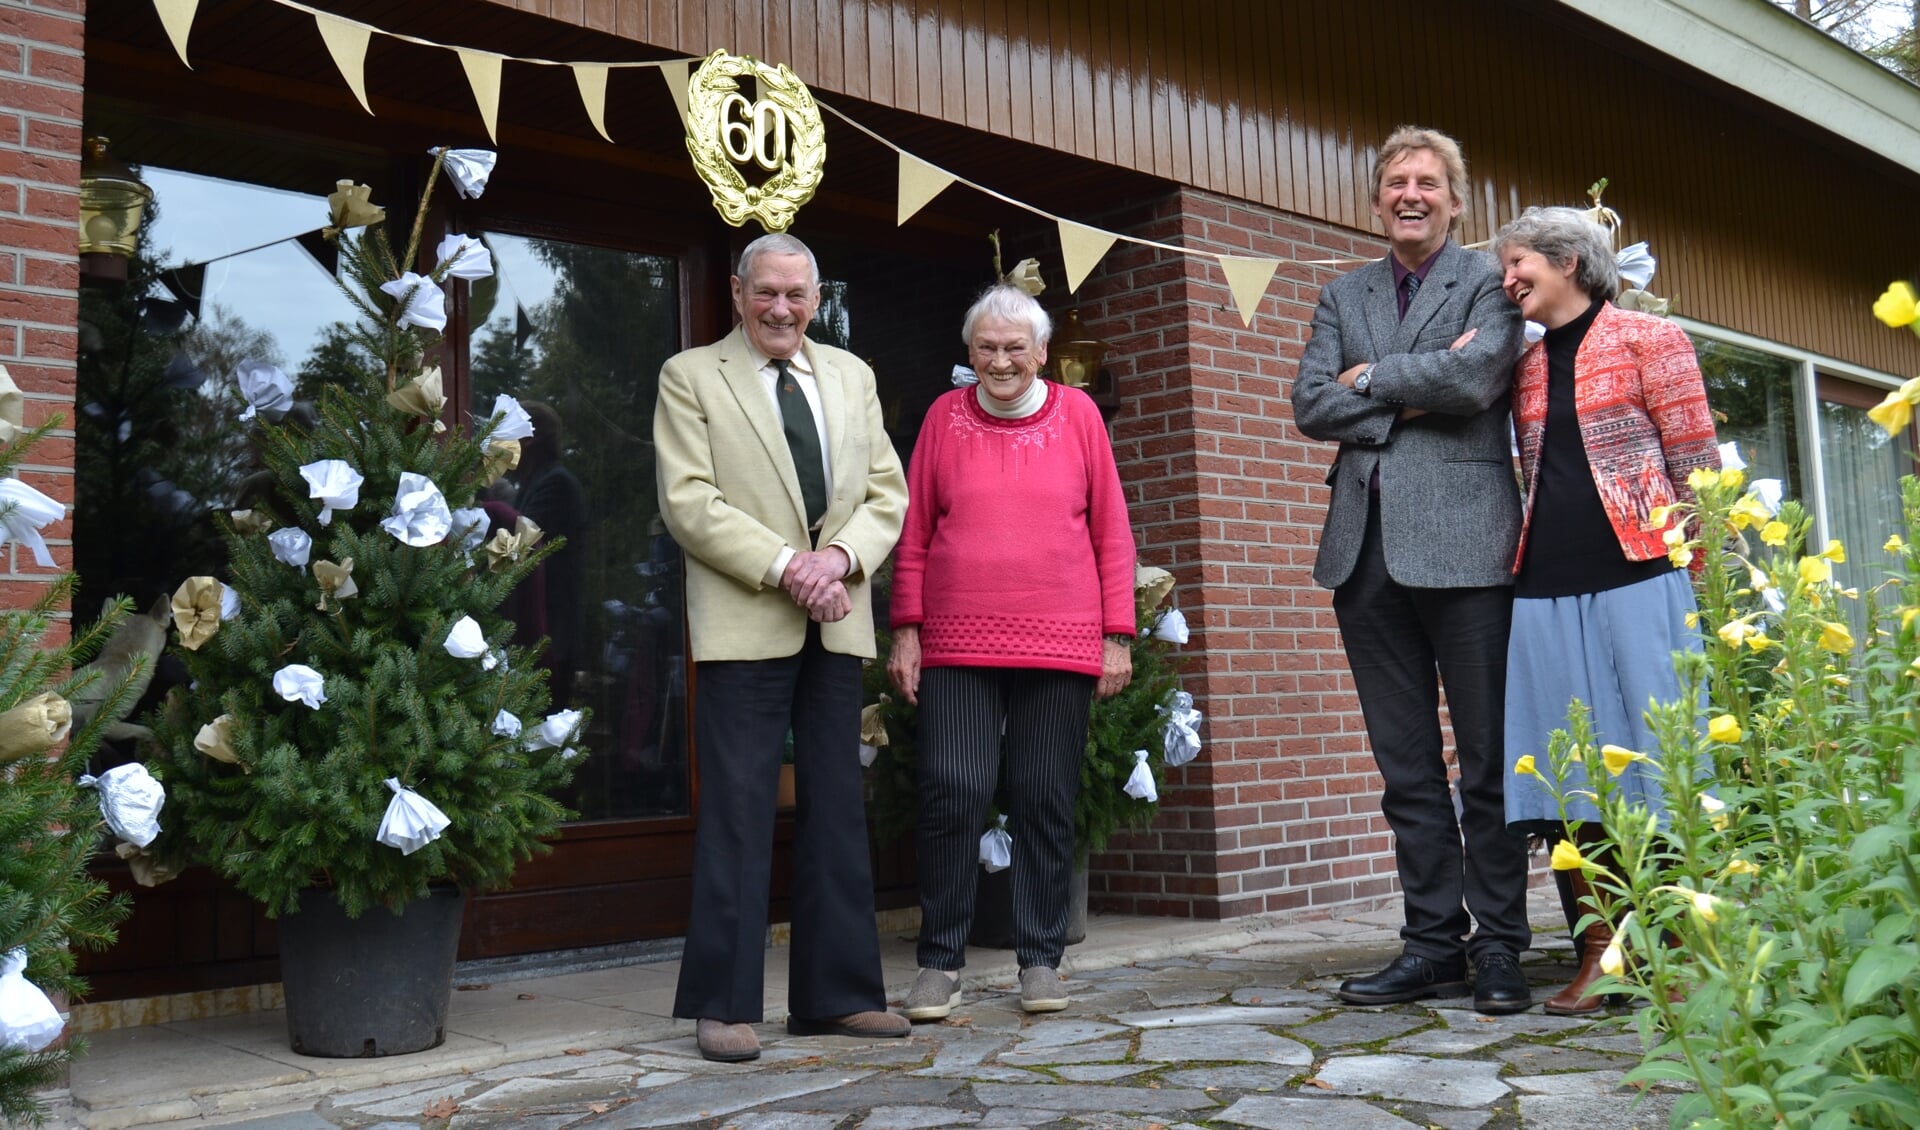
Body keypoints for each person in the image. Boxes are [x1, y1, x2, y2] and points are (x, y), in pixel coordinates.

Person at [1289, 125, 1533, 1015]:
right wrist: (1413, 385)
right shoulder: (1341, 291)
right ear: (1378, 198)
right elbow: (1309, 403)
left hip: (1469, 549)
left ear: (1455, 199)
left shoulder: (1491, 278)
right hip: (1365, 555)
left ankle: (1501, 945)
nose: (1411, 195)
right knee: (1406, 773)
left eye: (1428, 181)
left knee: (1488, 764)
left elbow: (1478, 384)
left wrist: (1374, 377)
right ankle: (1432, 945)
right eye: (1396, 182)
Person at [654, 232, 910, 1062]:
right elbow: (689, 503)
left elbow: (885, 493)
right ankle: (724, 1005)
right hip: (746, 617)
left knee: (837, 803)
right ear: (737, 293)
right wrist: (787, 567)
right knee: (737, 807)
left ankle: (837, 997)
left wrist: (835, 561)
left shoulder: (853, 376)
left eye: (797, 295)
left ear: (815, 297)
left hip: (837, 612)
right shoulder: (691, 376)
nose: (782, 309)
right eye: (766, 292)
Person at [1492, 205, 1719, 1015]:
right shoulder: (1517, 366)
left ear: (1571, 263)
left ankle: (1684, 947)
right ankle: (1601, 950)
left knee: (1663, 765)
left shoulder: (1649, 339)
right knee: (1567, 777)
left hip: (1643, 573)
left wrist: (1710, 576)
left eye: (1520, 264)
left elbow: (1696, 461)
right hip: (1543, 583)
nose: (1509, 278)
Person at [888, 283, 1136, 1020]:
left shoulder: (1080, 415)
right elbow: (915, 532)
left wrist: (1116, 635)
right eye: (987, 348)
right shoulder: (942, 417)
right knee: (951, 792)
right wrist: (908, 629)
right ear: (970, 353)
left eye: (1014, 348)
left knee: (1045, 799)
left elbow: (1112, 531)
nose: (1001, 361)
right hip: (958, 638)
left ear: (1041, 354)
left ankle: (1040, 959)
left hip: (1059, 639)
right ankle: (940, 962)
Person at [512, 402, 585, 707]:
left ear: (530, 440)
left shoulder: (554, 484)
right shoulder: (538, 482)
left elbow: (516, 547)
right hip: (539, 634)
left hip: (549, 638)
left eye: (509, 434)